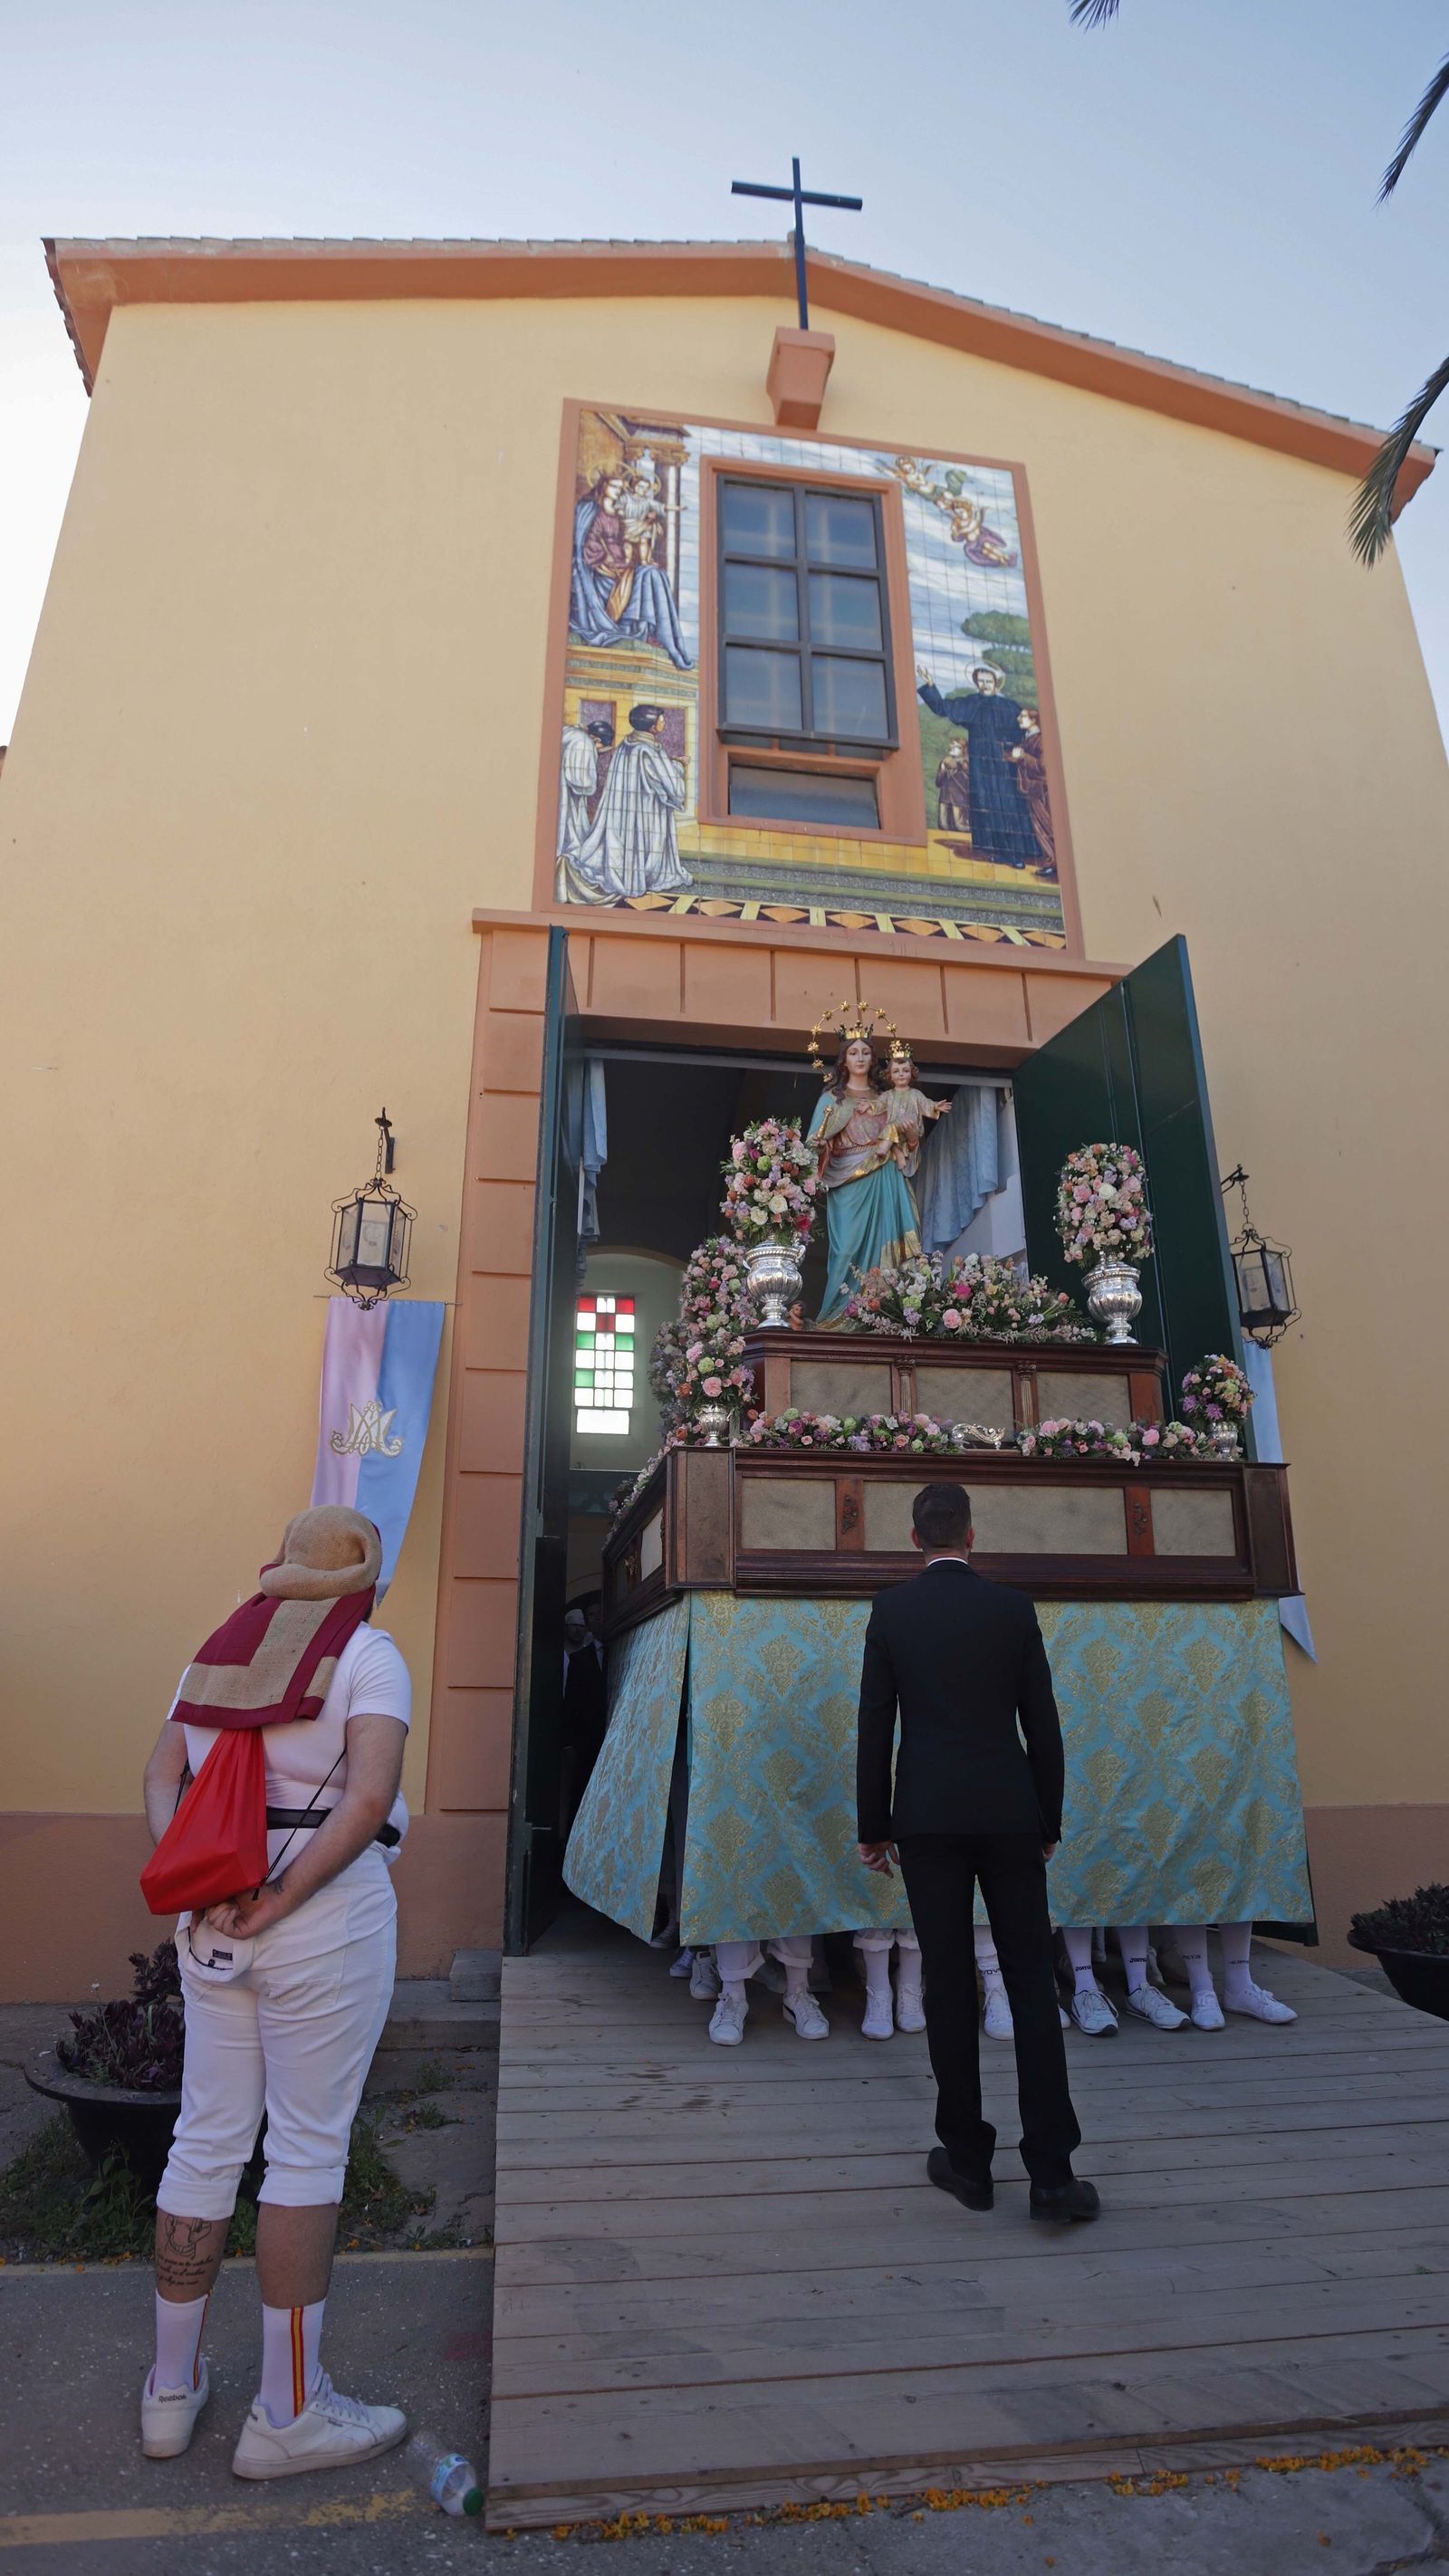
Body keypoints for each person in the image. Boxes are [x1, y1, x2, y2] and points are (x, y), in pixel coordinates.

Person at [139, 1505, 411, 2476]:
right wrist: (283, 1895)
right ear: (363, 1578)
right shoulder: (369, 1653)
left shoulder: (212, 1651)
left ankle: (169, 2392)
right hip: (326, 1920)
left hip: (214, 1925)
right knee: (305, 2151)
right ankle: (285, 2413)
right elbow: (369, 1797)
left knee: (204, 2140)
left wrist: (210, 1881)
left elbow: (162, 1774)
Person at [856, 1482, 1098, 2224]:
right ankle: (1053, 2174)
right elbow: (1044, 1728)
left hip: (926, 1818)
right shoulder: (1013, 1609)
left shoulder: (892, 1611)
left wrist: (874, 1825)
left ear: (914, 1538)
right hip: (1009, 1815)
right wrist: (1047, 1818)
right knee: (1029, 1981)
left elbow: (875, 1726)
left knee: (949, 1982)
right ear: (971, 1534)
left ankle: (967, 2161)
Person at [807, 1033, 945, 1324]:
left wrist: (910, 1134)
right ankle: (838, 1315)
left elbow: (910, 1145)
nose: (859, 1058)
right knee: (846, 1250)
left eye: (865, 1052)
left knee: (893, 1247)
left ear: (873, 1059)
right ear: (843, 1059)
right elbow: (813, 1145)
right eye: (853, 1052)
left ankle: (890, 1310)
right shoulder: (831, 1100)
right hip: (848, 1182)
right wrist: (819, 1147)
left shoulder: (887, 1098)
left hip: (886, 1175)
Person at [915, 664, 1039, 868]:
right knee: (987, 805)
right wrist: (930, 684)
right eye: (980, 681)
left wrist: (1018, 754)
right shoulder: (972, 703)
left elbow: (1025, 733)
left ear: (997, 683)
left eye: (989, 681)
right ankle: (1000, 851)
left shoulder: (1010, 707)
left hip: (1004, 765)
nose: (984, 685)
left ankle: (1017, 854)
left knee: (1007, 806)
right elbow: (943, 708)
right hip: (981, 765)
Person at [568, 470, 692, 667]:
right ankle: (631, 626)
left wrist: (646, 526)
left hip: (623, 565)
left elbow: (628, 537)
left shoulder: (619, 513)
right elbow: (585, 543)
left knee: (654, 574)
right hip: (601, 571)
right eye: (614, 486)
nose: (618, 491)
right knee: (645, 576)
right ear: (603, 487)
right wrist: (603, 560)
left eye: (620, 487)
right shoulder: (590, 510)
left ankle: (655, 633)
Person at [571, 704, 690, 902]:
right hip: (647, 809)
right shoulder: (648, 750)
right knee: (644, 843)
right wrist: (679, 765)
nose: (664, 723)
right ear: (652, 728)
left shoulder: (627, 744)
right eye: (661, 720)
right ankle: (640, 876)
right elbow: (669, 783)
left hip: (626, 808)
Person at [555, 717, 615, 896]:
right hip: (567, 796)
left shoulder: (568, 732)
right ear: (596, 739)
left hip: (559, 790)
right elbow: (581, 781)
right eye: (599, 748)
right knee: (570, 833)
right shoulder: (583, 741)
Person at [1005, 705, 1056, 875]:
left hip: (1041, 789)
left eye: (1024, 716)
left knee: (1046, 825)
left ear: (1034, 720)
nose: (1019, 719)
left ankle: (1054, 863)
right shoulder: (1027, 738)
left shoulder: (1041, 740)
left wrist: (1022, 757)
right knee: (1039, 826)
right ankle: (1051, 861)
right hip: (1031, 789)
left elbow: (1043, 766)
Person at [934, 737, 971, 835]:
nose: (952, 748)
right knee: (943, 824)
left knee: (959, 825)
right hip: (944, 797)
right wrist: (942, 770)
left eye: (957, 747)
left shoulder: (965, 764)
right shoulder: (945, 762)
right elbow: (938, 782)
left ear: (964, 749)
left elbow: (968, 782)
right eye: (952, 745)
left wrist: (961, 767)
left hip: (958, 798)